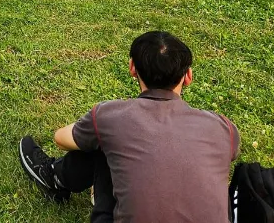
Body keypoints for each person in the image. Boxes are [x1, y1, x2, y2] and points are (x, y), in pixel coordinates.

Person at [20, 31, 238, 223]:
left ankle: (54, 177)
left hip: (107, 144)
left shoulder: (112, 116)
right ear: (188, 76)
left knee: (103, 141)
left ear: (132, 68)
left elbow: (61, 138)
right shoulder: (222, 128)